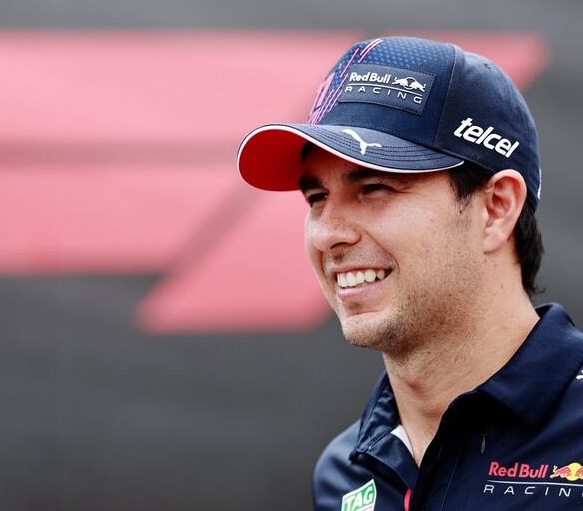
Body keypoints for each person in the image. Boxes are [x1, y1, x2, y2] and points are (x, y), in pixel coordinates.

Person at [236, 36, 583, 510]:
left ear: (497, 209)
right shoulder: (345, 473)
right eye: (317, 198)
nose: (328, 234)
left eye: (375, 188)